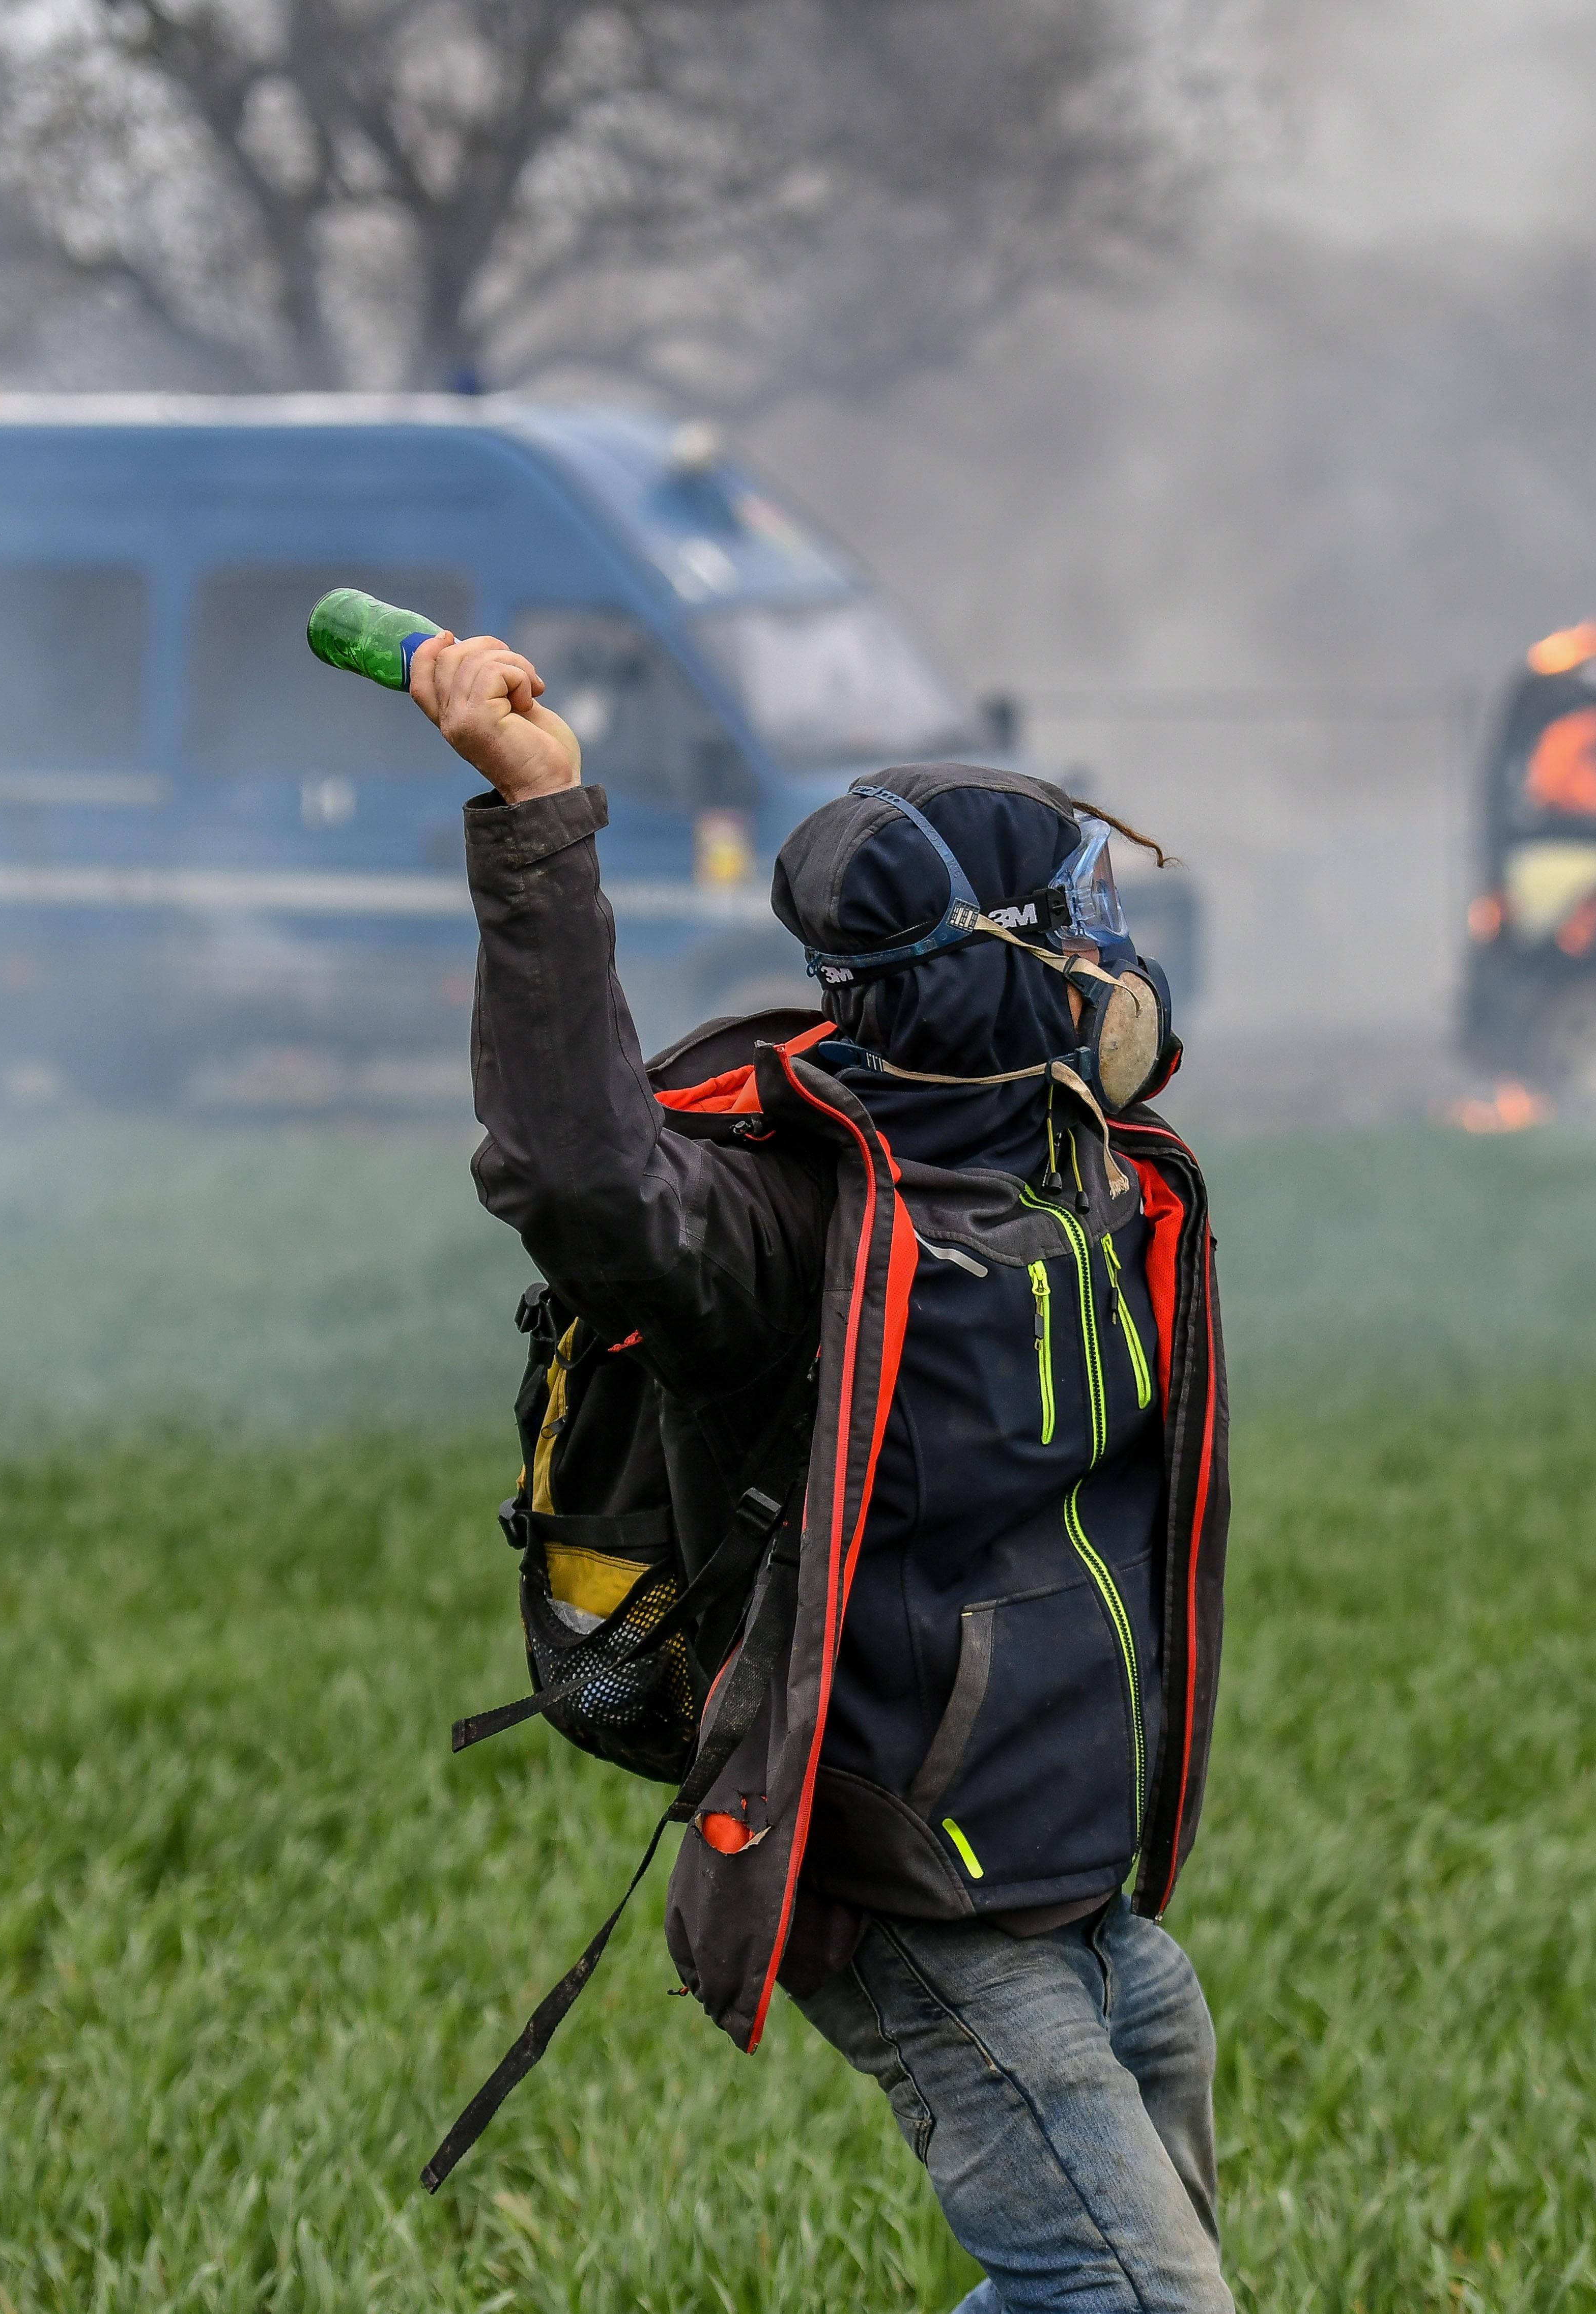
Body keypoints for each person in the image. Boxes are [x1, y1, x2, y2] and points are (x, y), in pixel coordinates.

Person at [415, 624, 1237, 2314]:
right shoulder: (793, 1226)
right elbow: (579, 1174)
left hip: (1076, 1887)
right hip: (919, 1894)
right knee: (1144, 2305)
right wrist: (537, 824)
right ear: (1000, 979)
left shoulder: (1070, 1153)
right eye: (1083, 934)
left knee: (1130, 2279)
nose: (1118, 969)